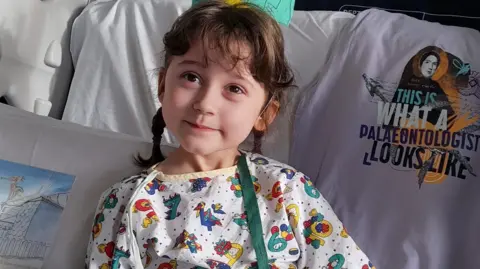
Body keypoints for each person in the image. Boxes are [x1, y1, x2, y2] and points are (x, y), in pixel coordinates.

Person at [85, 1, 372, 268]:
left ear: (265, 114)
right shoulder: (124, 202)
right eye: (191, 77)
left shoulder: (285, 191)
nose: (205, 104)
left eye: (234, 88)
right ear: (162, 85)